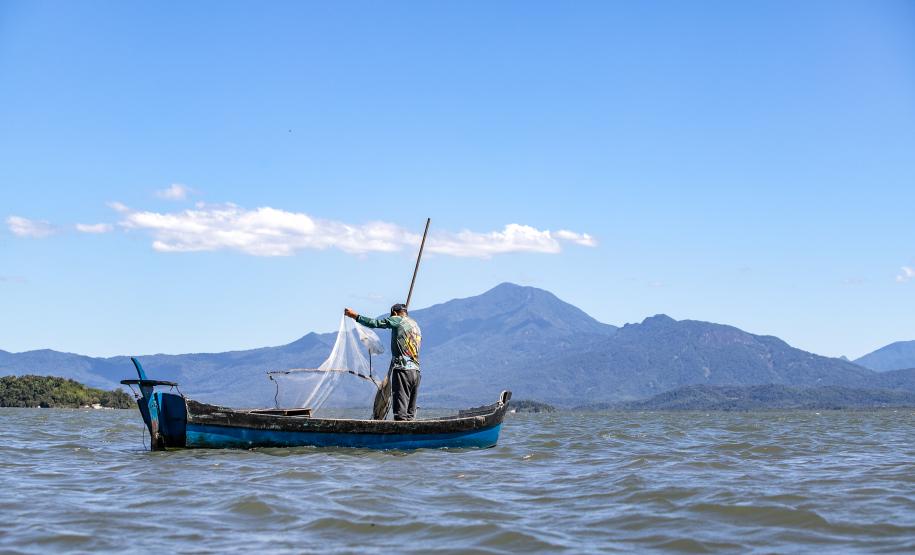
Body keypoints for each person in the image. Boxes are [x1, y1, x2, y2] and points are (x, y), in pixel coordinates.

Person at [344, 303, 422, 421]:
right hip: (416, 372)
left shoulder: (397, 319)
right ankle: (411, 431)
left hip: (402, 370)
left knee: (400, 414)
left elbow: (375, 323)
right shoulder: (415, 325)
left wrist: (354, 316)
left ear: (394, 313)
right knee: (409, 415)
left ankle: (399, 432)